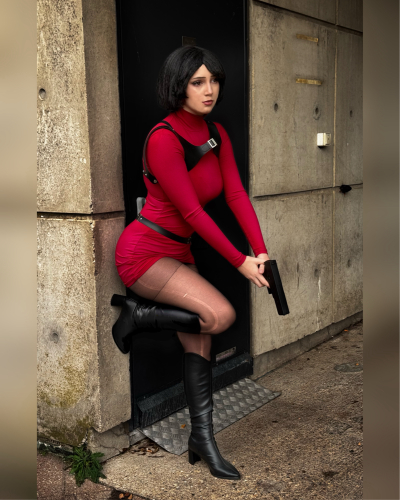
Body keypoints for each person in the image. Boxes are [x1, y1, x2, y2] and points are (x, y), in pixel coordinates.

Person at [112, 46, 270, 480]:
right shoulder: (164, 138)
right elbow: (193, 213)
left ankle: (202, 438)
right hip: (145, 253)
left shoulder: (216, 132)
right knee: (220, 315)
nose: (209, 89)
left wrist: (260, 251)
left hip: (179, 253)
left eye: (214, 80)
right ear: (178, 85)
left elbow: (235, 194)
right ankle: (138, 315)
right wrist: (239, 261)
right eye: (198, 82)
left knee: (200, 341)